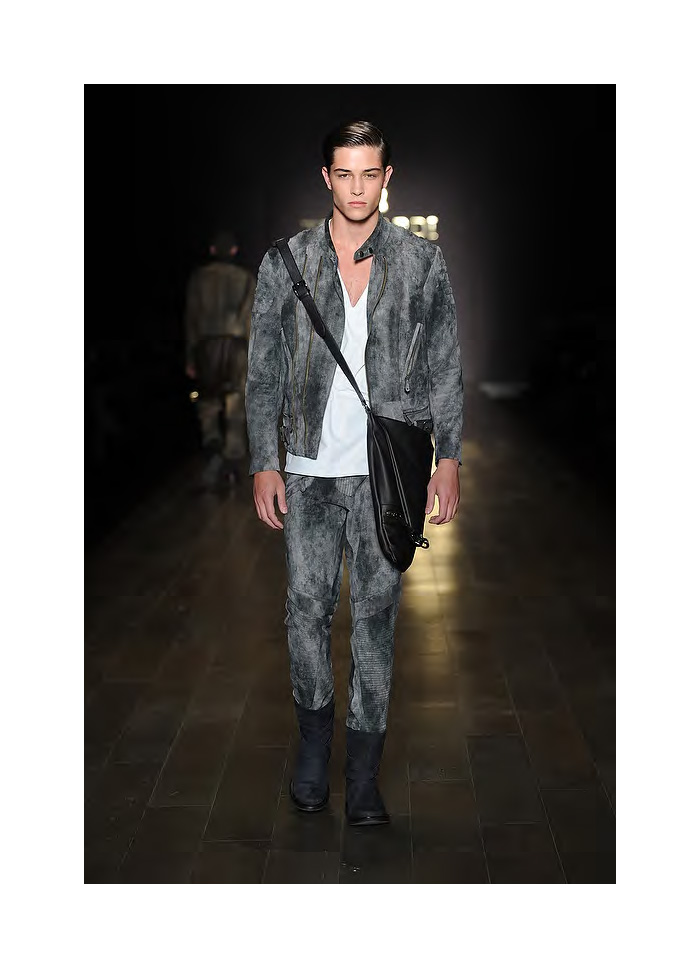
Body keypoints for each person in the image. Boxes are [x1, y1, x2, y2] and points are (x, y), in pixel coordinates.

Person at [245, 121, 463, 826]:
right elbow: (264, 370)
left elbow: (445, 363)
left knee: (375, 619)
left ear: (387, 178)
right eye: (345, 174)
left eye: (370, 174)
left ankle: (363, 777)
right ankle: (314, 749)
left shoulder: (421, 263)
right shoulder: (288, 261)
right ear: (326, 178)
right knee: (305, 612)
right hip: (308, 470)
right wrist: (264, 460)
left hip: (384, 474)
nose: (357, 188)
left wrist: (450, 457)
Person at [184, 228, 256, 490]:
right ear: (234, 251)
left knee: (208, 403)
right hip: (236, 345)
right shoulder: (245, 279)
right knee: (235, 403)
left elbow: (191, 318)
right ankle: (232, 460)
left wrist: (190, 356)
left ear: (212, 250)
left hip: (206, 345)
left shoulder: (199, 279)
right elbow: (251, 318)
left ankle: (213, 446)